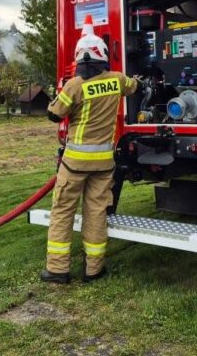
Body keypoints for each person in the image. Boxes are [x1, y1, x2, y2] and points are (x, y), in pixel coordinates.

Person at [41, 15, 138, 284]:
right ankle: (94, 269)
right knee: (96, 212)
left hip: (75, 163)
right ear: (103, 55)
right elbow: (135, 86)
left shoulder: (74, 86)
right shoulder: (117, 80)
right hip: (104, 163)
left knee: (63, 211)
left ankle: (58, 269)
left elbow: (53, 114)